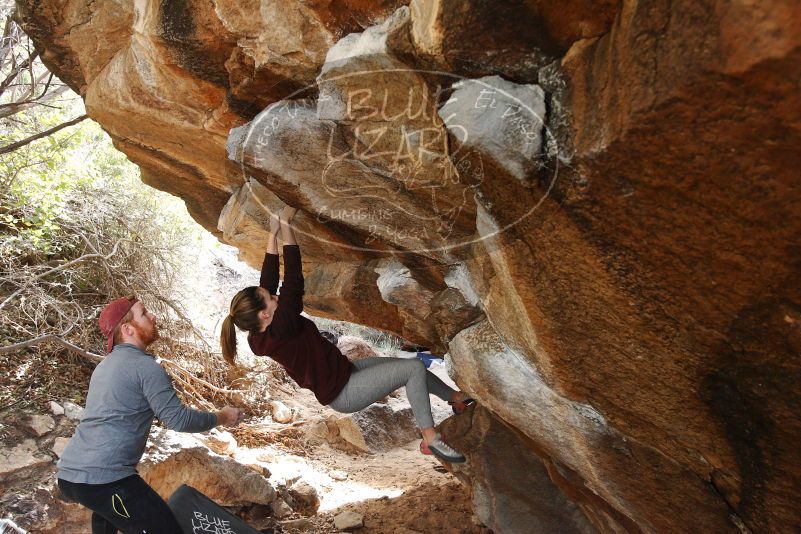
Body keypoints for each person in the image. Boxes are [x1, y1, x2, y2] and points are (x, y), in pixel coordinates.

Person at [221, 206, 471, 463]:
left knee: (409, 366)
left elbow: (267, 283)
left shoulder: (260, 333)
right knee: (414, 370)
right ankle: (430, 439)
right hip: (345, 391)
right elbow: (293, 279)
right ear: (264, 315)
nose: (274, 295)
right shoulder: (282, 328)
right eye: (270, 299)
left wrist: (272, 235)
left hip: (346, 371)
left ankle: (455, 398)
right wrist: (286, 225)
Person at [57, 296, 245, 534]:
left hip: (72, 475)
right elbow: (179, 419)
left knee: (110, 516)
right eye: (144, 313)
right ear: (127, 329)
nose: (153, 316)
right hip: (106, 480)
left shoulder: (104, 366)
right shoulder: (145, 367)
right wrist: (222, 417)